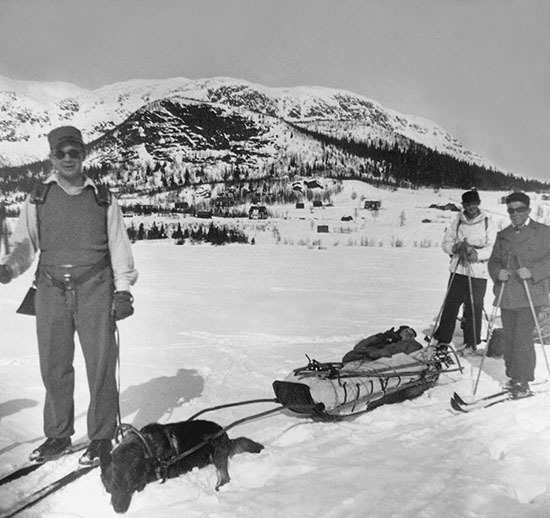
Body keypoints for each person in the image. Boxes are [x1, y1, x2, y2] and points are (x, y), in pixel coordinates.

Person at [0, 126, 138, 465]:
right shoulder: (39, 197)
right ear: (51, 156)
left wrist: (123, 292)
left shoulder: (102, 198)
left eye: (74, 152)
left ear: (83, 155)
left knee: (100, 366)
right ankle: (58, 435)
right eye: (61, 153)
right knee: (54, 366)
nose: (67, 158)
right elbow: (24, 244)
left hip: (95, 288)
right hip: (49, 290)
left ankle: (102, 437)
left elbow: (120, 249)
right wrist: (8, 269)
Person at [488, 192, 550, 397]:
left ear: (528, 210)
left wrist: (533, 272)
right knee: (510, 338)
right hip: (507, 295)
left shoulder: (543, 232)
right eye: (511, 210)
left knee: (522, 338)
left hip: (531, 294)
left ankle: (523, 381)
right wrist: (498, 273)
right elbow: (493, 261)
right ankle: (514, 377)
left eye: (519, 210)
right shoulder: (503, 235)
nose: (515, 214)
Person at [433, 190, 496, 353]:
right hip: (458, 269)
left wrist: (476, 254)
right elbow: (445, 243)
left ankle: (472, 341)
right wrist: (455, 247)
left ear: (479, 203)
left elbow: (492, 248)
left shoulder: (488, 221)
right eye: (467, 204)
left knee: (474, 306)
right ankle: (443, 339)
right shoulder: (458, 221)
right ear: (463, 205)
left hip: (478, 271)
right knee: (451, 305)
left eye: (474, 203)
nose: (471, 207)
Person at [342, 325, 422, 363]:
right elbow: (358, 347)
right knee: (350, 356)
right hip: (361, 362)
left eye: (410, 333)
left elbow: (408, 360)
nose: (407, 334)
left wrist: (378, 353)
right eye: (405, 331)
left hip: (381, 368)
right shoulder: (386, 342)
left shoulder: (412, 345)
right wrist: (381, 337)